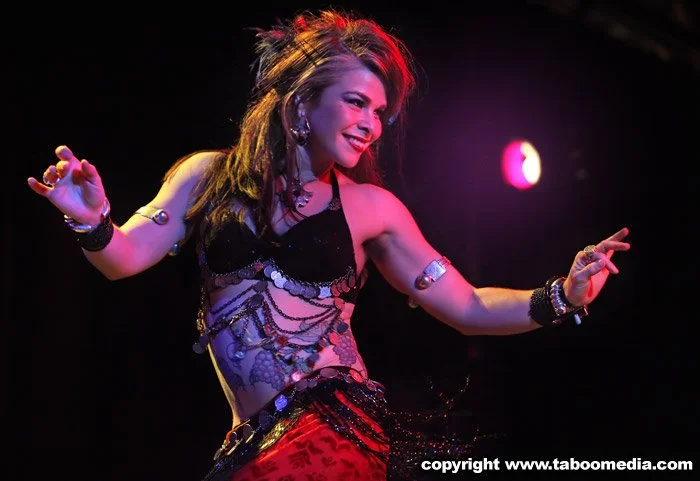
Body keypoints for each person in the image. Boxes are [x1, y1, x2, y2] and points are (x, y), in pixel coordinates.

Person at [26, 9, 630, 481]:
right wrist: (91, 220)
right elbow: (122, 259)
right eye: (356, 102)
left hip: (334, 425)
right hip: (250, 442)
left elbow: (468, 305)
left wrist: (561, 295)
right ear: (301, 103)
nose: (372, 123)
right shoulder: (205, 177)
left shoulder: (372, 209)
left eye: (380, 112)